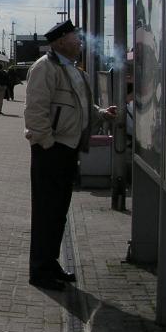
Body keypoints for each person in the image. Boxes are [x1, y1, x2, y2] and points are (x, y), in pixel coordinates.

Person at [24, 20, 117, 291]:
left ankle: (50, 263)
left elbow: (83, 106)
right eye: (75, 38)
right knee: (45, 212)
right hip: (51, 150)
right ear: (61, 41)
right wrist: (47, 143)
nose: (79, 42)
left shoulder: (73, 70)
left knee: (58, 212)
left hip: (68, 148)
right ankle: (39, 271)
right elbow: (35, 111)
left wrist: (101, 114)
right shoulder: (45, 68)